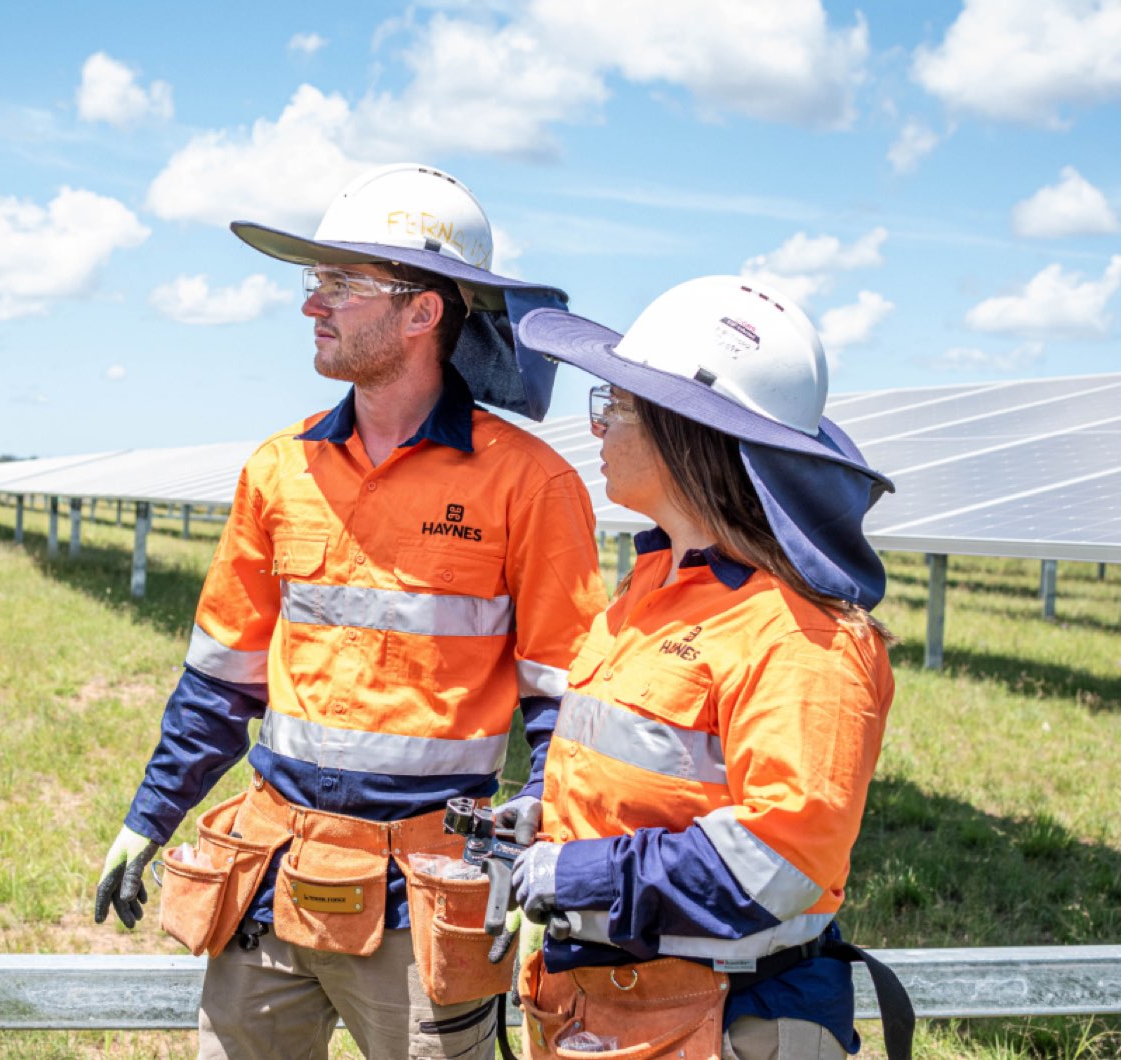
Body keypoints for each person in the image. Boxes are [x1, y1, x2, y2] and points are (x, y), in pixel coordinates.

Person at [93, 163, 607, 1059]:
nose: (311, 305)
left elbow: (567, 707)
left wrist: (548, 869)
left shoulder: (531, 484)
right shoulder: (279, 468)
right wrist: (150, 815)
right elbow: (221, 682)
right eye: (314, 281)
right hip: (271, 875)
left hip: (426, 894)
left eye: (340, 284)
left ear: (422, 312)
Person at [505, 277, 912, 1059]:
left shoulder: (803, 637)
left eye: (613, 407)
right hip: (619, 1007)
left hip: (730, 1018)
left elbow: (783, 858)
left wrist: (578, 874)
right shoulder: (651, 587)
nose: (596, 431)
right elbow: (614, 755)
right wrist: (539, 810)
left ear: (683, 431)